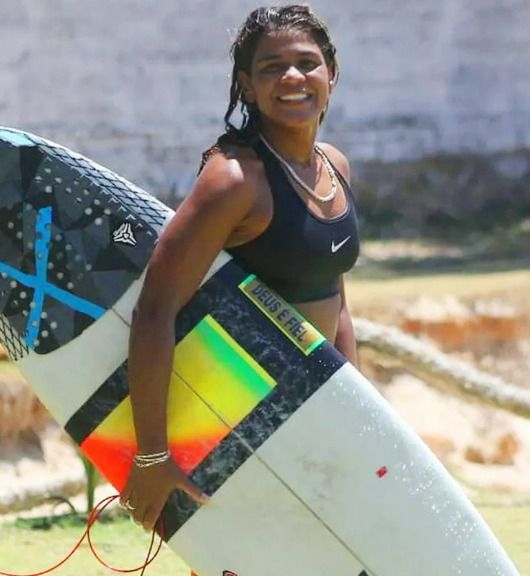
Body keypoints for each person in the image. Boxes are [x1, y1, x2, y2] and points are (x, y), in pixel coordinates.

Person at [120, 4, 360, 562]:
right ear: (247, 87)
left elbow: (337, 297)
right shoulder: (234, 180)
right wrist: (153, 456)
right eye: (272, 67)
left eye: (308, 63)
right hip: (237, 419)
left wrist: (354, 408)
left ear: (330, 74)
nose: (293, 77)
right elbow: (155, 310)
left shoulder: (335, 167)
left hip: (311, 412)